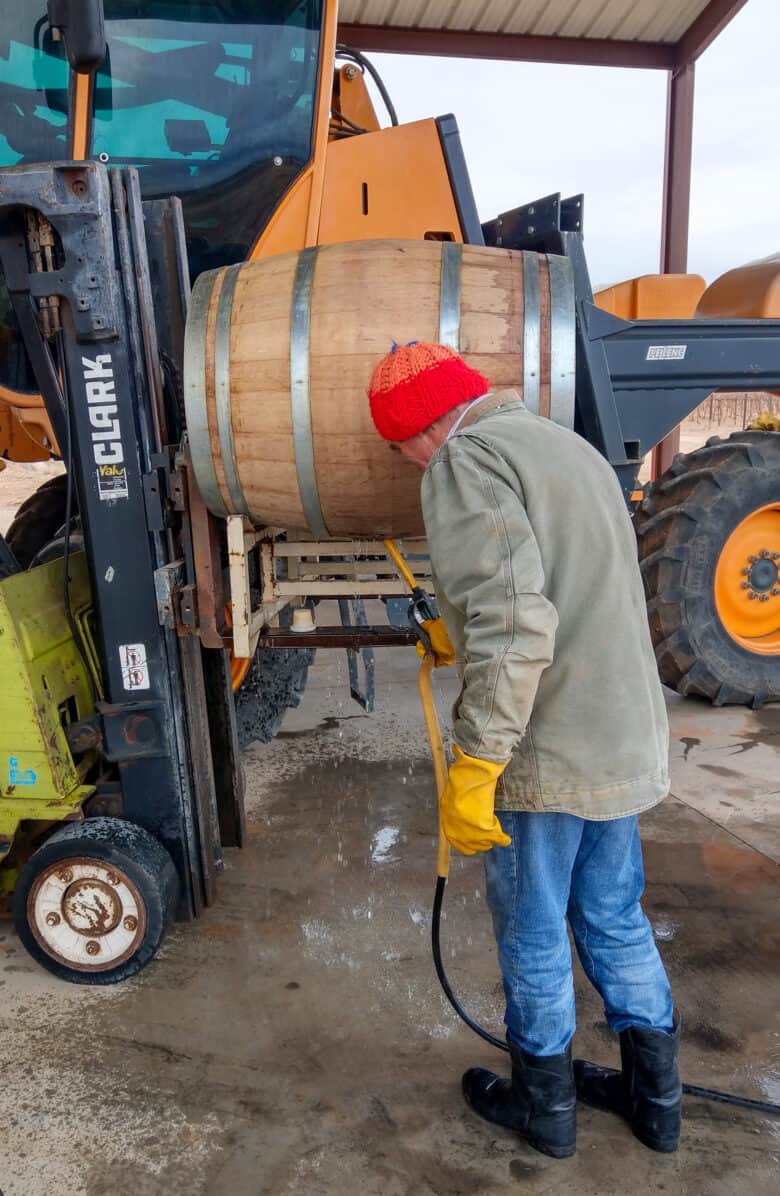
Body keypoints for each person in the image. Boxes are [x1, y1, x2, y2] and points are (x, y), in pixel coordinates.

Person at [367, 341, 682, 1160]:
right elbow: (563, 589)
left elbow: (515, 626)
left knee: (536, 931)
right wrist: (458, 631)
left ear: (420, 427)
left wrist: (477, 759)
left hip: (545, 747)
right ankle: (659, 1104)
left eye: (396, 445)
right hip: (619, 736)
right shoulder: (560, 445)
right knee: (614, 917)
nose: (402, 462)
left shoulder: (465, 462)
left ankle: (545, 1109)